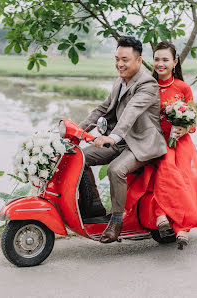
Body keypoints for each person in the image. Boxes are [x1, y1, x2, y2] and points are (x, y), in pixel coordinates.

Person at [79, 36, 167, 243]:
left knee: (115, 169)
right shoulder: (119, 81)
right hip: (119, 141)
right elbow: (103, 108)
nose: (119, 64)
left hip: (142, 143)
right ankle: (93, 207)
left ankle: (116, 221)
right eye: (117, 58)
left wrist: (112, 137)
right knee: (79, 157)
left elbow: (131, 112)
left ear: (138, 61)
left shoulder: (147, 84)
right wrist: (77, 130)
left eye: (125, 60)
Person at [126, 41, 197, 249]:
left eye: (165, 59)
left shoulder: (183, 88)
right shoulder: (147, 87)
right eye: (157, 59)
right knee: (164, 166)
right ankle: (168, 220)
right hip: (154, 141)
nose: (160, 63)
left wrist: (184, 128)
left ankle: (172, 221)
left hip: (179, 143)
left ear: (175, 62)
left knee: (174, 172)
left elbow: (193, 123)